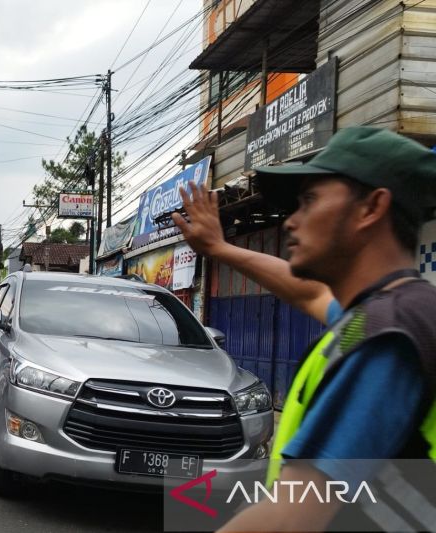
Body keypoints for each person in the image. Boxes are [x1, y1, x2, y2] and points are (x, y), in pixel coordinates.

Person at [172, 127, 436, 532]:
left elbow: (289, 517)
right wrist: (220, 249)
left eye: (310, 200)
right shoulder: (392, 312)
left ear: (371, 208)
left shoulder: (385, 335)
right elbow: (311, 295)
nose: (291, 221)